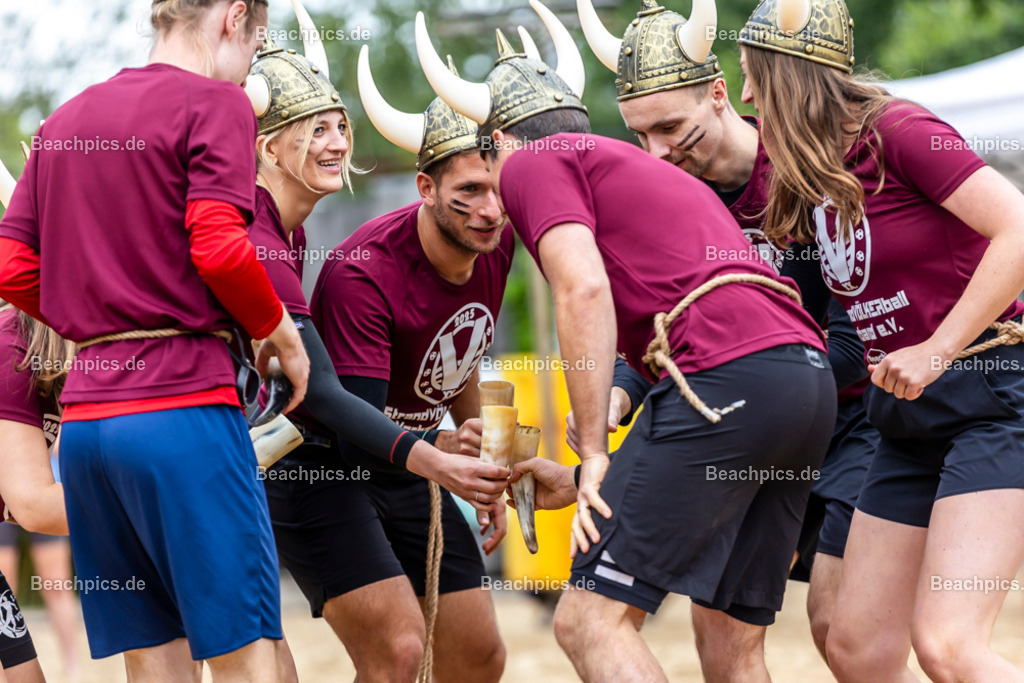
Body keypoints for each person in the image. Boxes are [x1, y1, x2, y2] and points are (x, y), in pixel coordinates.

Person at [417, 3, 836, 680]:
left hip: (726, 379)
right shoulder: (647, 176)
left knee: (587, 620)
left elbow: (582, 291)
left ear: (496, 144)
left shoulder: (532, 160)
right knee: (731, 644)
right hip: (804, 384)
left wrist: (592, 451)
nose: (494, 203)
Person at [0, 1, 311, 680]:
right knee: (249, 662)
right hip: (183, 412)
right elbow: (223, 250)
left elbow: (11, 266)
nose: (252, 59)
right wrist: (280, 332)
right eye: (257, 40)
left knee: (157, 664)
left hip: (87, 436)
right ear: (234, 17)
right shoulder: (218, 103)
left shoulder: (64, 120)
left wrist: (93, 316)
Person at [576, 0, 876, 659]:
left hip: (858, 424)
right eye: (638, 135)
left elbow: (858, 337)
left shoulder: (804, 169)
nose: (655, 152)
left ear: (719, 94)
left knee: (841, 630)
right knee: (719, 634)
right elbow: (663, 334)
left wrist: (767, 383)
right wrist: (620, 395)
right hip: (753, 419)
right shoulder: (659, 198)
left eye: (670, 127)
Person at [739, 0, 1024, 680]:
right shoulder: (813, 173)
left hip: (993, 398)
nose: (748, 95)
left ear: (789, 75)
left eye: (753, 76)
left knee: (949, 646)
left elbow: (1017, 228)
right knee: (856, 645)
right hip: (905, 419)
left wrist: (938, 347)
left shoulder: (901, 129)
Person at [242, 17, 512, 682]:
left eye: (340, 126)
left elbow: (461, 347)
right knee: (392, 649)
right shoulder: (279, 238)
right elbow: (325, 396)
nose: (338, 142)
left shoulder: (290, 231)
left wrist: (481, 453)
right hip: (312, 465)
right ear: (271, 150)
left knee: (478, 655)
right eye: (319, 130)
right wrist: (442, 462)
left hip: (397, 461)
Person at [0, 305, 71, 683]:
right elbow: (32, 505)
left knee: (26, 673)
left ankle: (72, 659)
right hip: (23, 507)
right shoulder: (11, 349)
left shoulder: (64, 365)